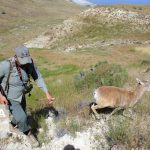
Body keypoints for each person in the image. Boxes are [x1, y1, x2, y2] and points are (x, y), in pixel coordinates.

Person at [0, 45, 54, 147]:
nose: (25, 62)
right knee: (22, 118)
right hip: (10, 98)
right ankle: (28, 134)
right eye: (22, 60)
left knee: (22, 113)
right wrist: (0, 96)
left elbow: (38, 78)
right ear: (16, 57)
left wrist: (47, 93)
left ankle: (11, 125)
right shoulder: (5, 65)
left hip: (21, 95)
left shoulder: (30, 63)